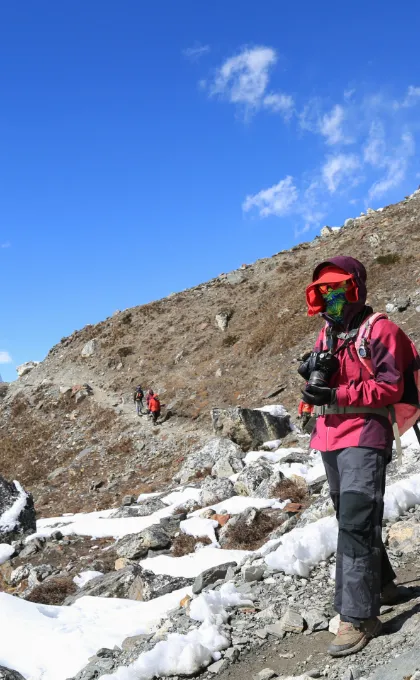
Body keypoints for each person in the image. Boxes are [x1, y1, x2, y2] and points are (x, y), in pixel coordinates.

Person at [299, 255, 420, 658]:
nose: (332, 297)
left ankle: (357, 616)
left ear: (355, 288)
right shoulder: (327, 335)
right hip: (329, 440)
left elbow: (390, 387)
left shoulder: (380, 329)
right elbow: (328, 383)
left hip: (365, 437)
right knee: (353, 518)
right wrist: (314, 379)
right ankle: (383, 586)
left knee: (354, 520)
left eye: (338, 288)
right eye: (325, 290)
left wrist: (338, 395)